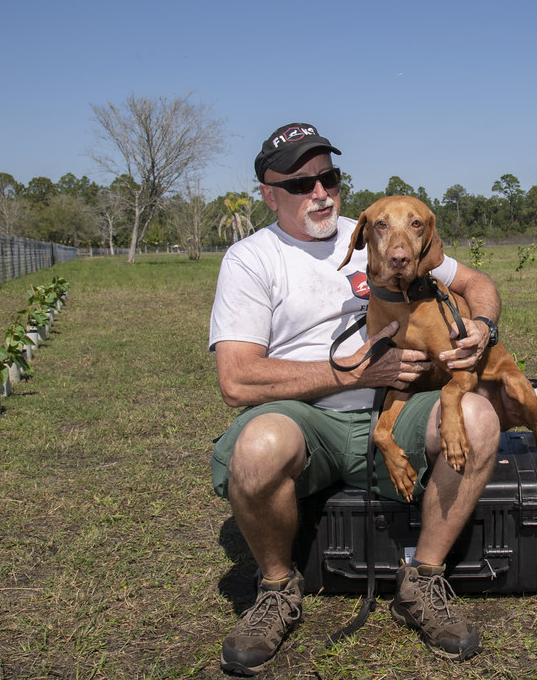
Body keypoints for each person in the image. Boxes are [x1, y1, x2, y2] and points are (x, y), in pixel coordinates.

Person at [209, 122, 502, 675]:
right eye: (299, 184)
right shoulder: (251, 260)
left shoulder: (384, 231)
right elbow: (237, 381)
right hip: (307, 419)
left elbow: (477, 282)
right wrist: (353, 373)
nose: (318, 192)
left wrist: (482, 325)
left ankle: (423, 582)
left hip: (395, 406)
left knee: (480, 417)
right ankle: (275, 588)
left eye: (327, 177)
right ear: (269, 194)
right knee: (256, 445)